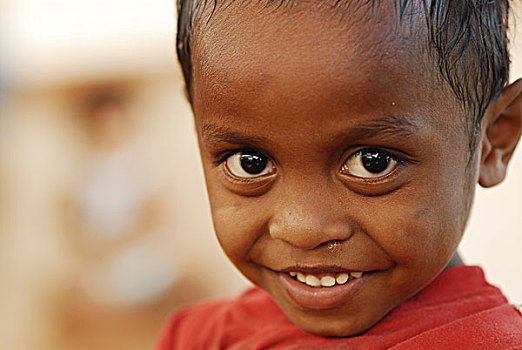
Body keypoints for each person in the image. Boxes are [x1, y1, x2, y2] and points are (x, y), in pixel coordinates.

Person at [158, 0, 522, 348]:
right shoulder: (197, 337)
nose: (302, 229)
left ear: (494, 140)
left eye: (373, 161)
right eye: (250, 162)